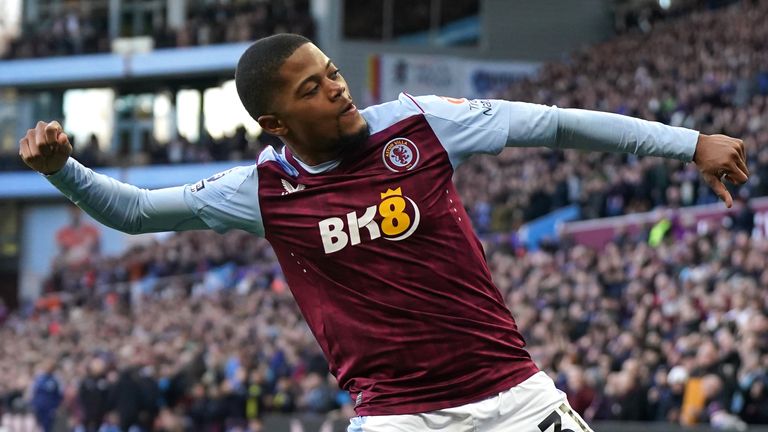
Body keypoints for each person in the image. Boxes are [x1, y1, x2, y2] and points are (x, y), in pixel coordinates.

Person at [18, 34, 748, 431]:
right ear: (274, 123)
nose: (335, 88)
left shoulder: (419, 124)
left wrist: (686, 144)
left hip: (515, 398)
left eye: (331, 73)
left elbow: (552, 124)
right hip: (398, 420)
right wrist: (64, 171)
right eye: (311, 88)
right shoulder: (264, 190)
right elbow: (137, 213)